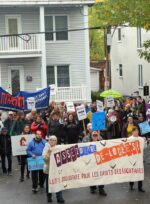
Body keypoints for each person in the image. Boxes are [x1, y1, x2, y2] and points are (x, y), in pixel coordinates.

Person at [82, 131, 107, 196]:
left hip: (99, 161)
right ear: (92, 136)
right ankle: (92, 187)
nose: (95, 136)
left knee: (101, 175)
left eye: (96, 135)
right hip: (92, 161)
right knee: (92, 174)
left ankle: (101, 189)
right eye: (94, 135)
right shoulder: (89, 143)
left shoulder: (101, 142)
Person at [42, 135, 65, 203]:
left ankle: (59, 197)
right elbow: (44, 158)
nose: (52, 141)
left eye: (54, 140)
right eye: (51, 140)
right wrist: (49, 153)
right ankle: (49, 197)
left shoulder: (58, 148)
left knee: (58, 182)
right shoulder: (46, 148)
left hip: (57, 169)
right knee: (49, 184)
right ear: (48, 141)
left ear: (56, 141)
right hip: (48, 169)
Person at [129, 127, 145, 192]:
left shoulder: (141, 139)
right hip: (132, 158)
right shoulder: (129, 139)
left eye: (137, 131)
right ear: (132, 132)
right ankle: (131, 185)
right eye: (135, 131)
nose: (136, 132)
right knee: (132, 172)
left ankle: (140, 187)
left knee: (140, 173)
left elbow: (144, 147)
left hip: (139, 158)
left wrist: (146, 141)